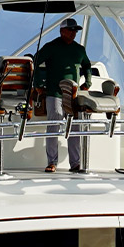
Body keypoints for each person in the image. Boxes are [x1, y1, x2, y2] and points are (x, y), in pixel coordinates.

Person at [33, 17, 91, 173]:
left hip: (74, 95)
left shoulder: (80, 49)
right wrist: (38, 84)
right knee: (54, 122)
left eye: (76, 31)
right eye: (71, 30)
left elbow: (87, 66)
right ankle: (52, 162)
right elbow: (35, 61)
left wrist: (88, 82)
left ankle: (75, 164)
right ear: (62, 31)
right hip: (55, 93)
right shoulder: (51, 47)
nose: (74, 33)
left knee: (75, 127)